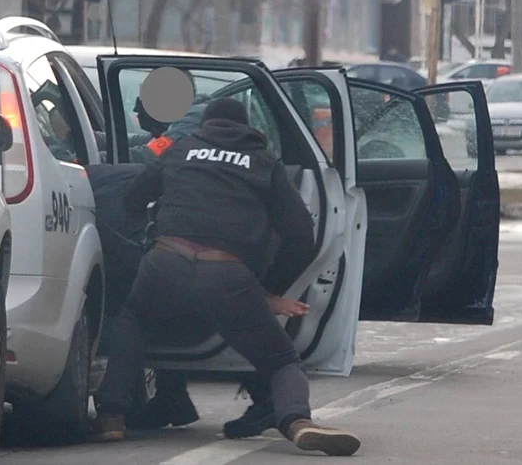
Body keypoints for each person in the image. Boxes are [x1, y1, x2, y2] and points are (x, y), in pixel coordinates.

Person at [90, 97, 361, 456]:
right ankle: (296, 421)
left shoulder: (180, 149)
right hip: (227, 276)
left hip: (165, 263)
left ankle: (111, 416)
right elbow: (300, 235)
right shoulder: (265, 162)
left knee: (134, 322)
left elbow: (132, 200)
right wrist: (269, 289)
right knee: (279, 359)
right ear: (247, 127)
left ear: (207, 123)